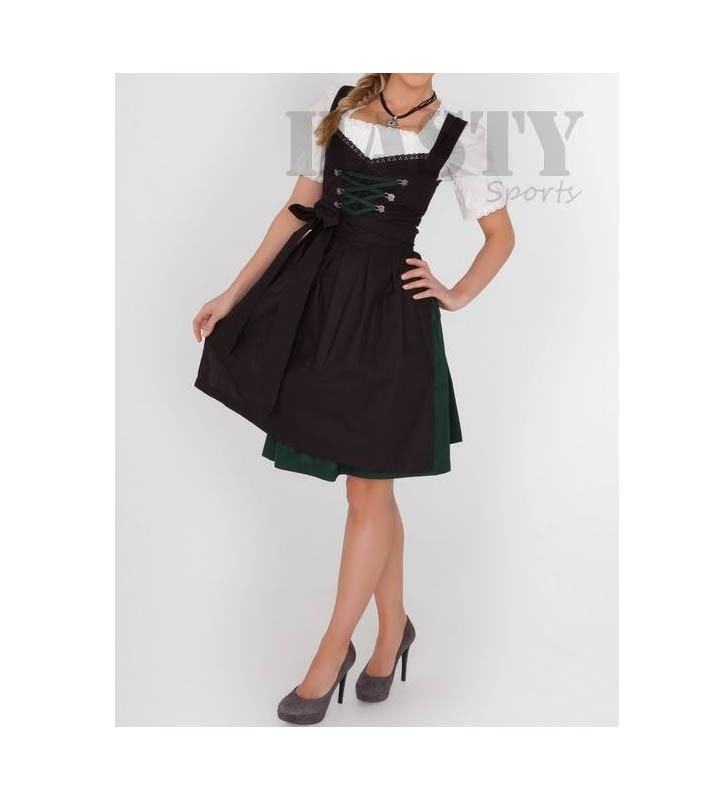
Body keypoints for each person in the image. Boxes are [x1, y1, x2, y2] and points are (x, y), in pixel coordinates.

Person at [192, 74, 515, 724]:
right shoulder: (338, 105)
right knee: (369, 489)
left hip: (390, 321)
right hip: (321, 307)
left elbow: (501, 235)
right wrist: (232, 293)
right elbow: (297, 208)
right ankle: (393, 629)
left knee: (369, 488)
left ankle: (332, 650)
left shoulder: (458, 134)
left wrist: (455, 293)